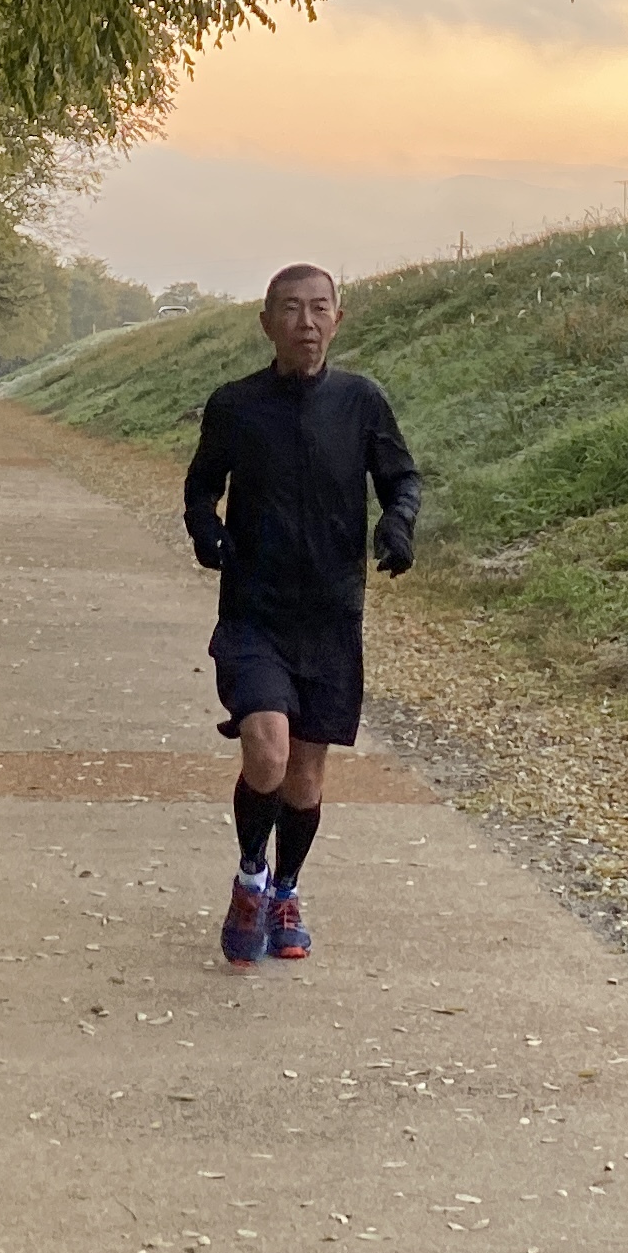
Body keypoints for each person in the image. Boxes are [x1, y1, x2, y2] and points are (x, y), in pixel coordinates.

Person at [183, 263, 421, 964]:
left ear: (338, 320)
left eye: (320, 308)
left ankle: (286, 890)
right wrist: (205, 529)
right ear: (267, 324)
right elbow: (201, 487)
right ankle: (251, 879)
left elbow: (401, 477)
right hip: (255, 611)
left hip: (331, 614)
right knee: (267, 750)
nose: (306, 323)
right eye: (291, 309)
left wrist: (398, 525)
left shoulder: (361, 402)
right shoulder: (234, 405)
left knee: (306, 778)